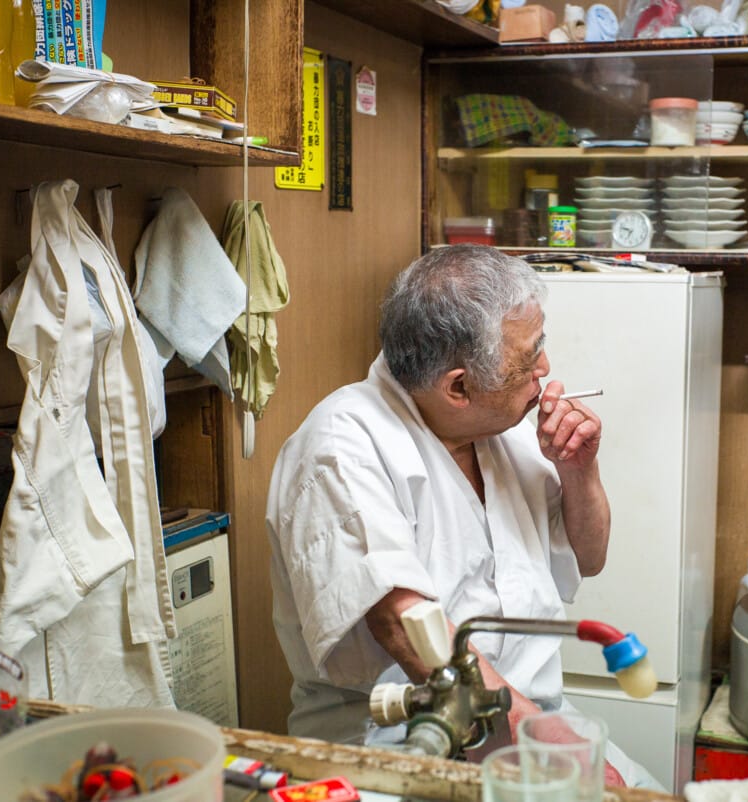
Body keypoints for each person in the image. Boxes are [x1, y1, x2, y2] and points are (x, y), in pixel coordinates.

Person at [266, 244, 659, 788]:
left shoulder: (503, 429)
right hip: (397, 746)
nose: (544, 370)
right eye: (529, 358)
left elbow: (588, 557)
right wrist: (557, 754)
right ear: (458, 387)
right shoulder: (341, 447)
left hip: (528, 718)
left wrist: (579, 470)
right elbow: (408, 628)